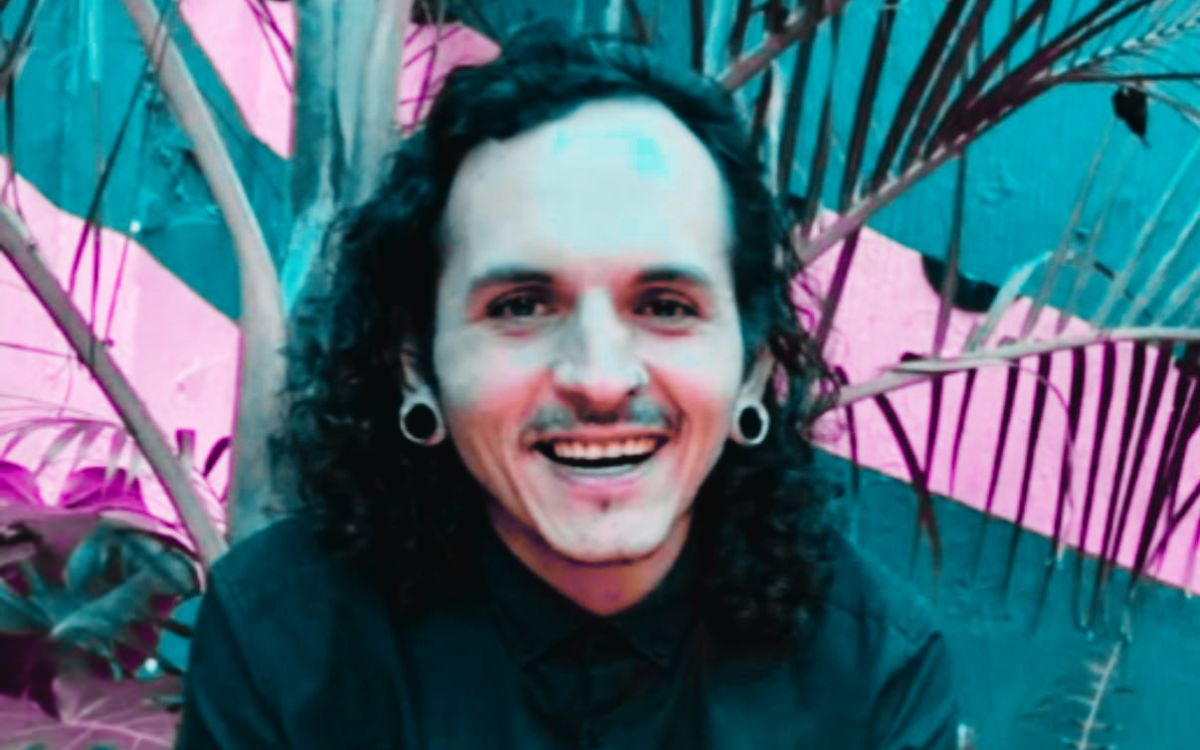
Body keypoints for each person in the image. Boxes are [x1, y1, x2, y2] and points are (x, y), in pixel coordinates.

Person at [177, 21, 958, 750]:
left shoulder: (871, 670)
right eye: (521, 306)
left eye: (666, 307)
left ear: (753, 369)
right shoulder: (284, 640)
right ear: (418, 367)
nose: (600, 380)